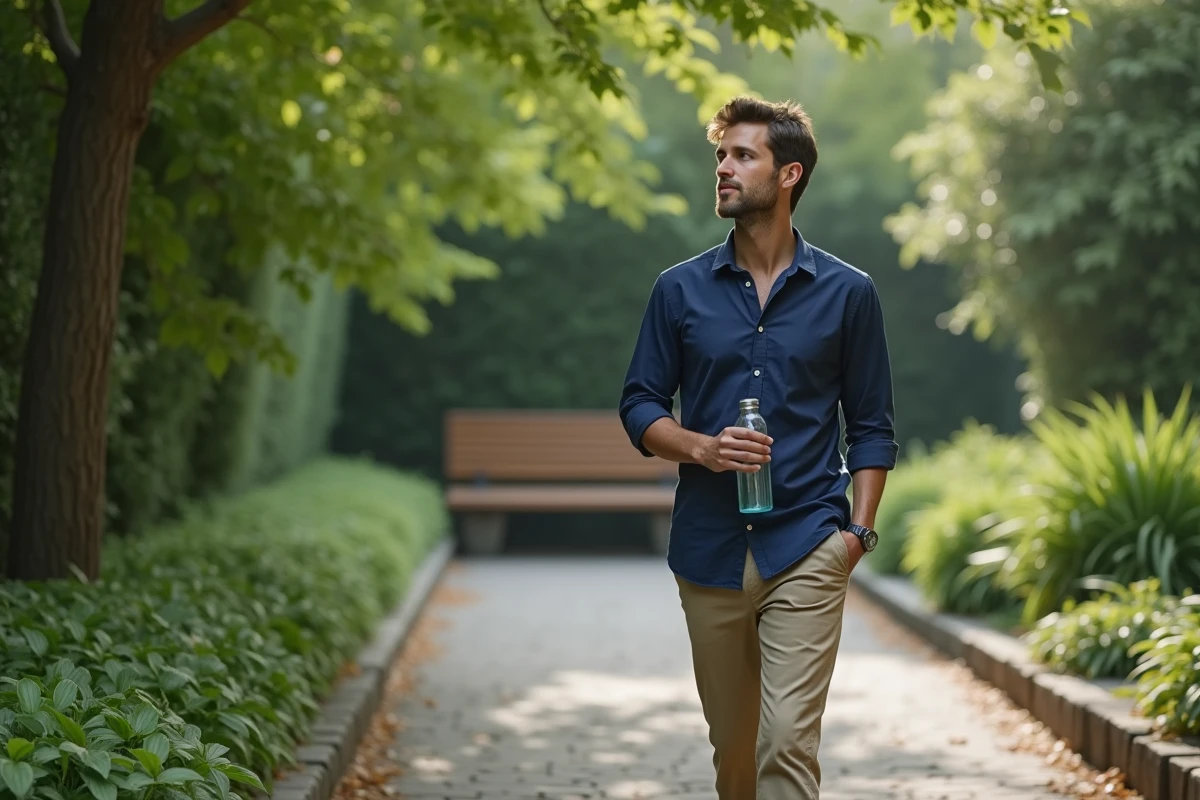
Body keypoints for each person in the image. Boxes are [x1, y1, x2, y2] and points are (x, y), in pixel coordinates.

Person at [617, 95, 898, 799]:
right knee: (736, 756)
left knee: (785, 745)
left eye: (743, 155)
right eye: (721, 155)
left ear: (791, 174)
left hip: (807, 543)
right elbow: (640, 404)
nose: (724, 169)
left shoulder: (849, 294)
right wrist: (702, 449)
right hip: (708, 549)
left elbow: (872, 425)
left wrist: (856, 535)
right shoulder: (678, 290)